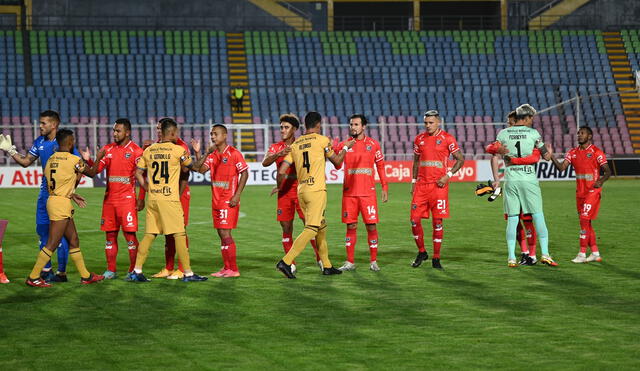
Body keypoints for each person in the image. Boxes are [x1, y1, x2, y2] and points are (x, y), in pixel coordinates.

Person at [0, 110, 86, 282]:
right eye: (40, 123)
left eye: (43, 123)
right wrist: (10, 150)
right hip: (44, 195)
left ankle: (61, 273)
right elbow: (25, 162)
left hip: (59, 196)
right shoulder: (39, 141)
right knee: (42, 231)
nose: (40, 126)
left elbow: (79, 170)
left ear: (54, 125)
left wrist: (71, 191)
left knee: (61, 236)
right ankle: (46, 269)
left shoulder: (64, 143)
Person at [275, 111, 354, 278]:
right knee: (311, 229)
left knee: (321, 228)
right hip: (316, 191)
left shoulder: (296, 144)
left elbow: (282, 171)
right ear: (318, 124)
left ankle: (327, 265)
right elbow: (338, 163)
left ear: (305, 125)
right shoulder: (322, 140)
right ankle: (286, 262)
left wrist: (279, 186)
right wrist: (346, 147)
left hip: (301, 191)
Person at [129, 118, 207, 282]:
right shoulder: (177, 150)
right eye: (176, 132)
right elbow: (197, 168)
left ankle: (136, 271)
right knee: (179, 234)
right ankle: (188, 273)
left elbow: (137, 173)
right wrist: (202, 152)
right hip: (169, 198)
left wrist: (147, 188)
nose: (177, 134)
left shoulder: (149, 150)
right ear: (172, 133)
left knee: (149, 234)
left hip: (154, 199)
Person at [25, 129, 104, 287]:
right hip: (61, 204)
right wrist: (99, 157)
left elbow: (55, 182)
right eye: (73, 140)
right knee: (52, 243)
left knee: (74, 239)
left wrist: (72, 194)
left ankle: (85, 276)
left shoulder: (51, 159)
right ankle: (33, 277)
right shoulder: (74, 159)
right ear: (69, 142)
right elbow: (93, 173)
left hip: (55, 199)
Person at [494, 104, 556, 267]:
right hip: (528, 179)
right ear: (527, 117)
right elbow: (546, 156)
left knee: (513, 219)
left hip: (511, 179)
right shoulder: (534, 133)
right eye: (531, 118)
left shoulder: (503, 133)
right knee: (538, 215)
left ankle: (511, 258)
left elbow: (493, 151)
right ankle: (546, 254)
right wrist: (549, 153)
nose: (532, 121)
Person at [81, 119, 143, 280]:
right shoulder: (107, 149)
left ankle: (133, 270)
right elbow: (94, 172)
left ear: (127, 132)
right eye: (114, 130)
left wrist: (141, 199)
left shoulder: (136, 151)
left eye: (118, 131)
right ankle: (111, 270)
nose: (115, 133)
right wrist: (89, 160)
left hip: (127, 201)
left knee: (130, 237)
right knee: (110, 236)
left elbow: (143, 177)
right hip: (109, 200)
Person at [261, 113, 321, 273]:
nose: (282, 130)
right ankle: (290, 263)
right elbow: (265, 163)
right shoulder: (275, 147)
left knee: (310, 226)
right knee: (286, 227)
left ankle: (320, 258)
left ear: (294, 129)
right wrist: (278, 155)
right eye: (281, 127)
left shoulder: (302, 144)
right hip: (284, 194)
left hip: (301, 190)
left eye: (286, 127)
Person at [191, 124, 249, 278]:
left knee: (225, 233)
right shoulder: (212, 154)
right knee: (221, 233)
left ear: (225, 136)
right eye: (211, 134)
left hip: (228, 200)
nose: (212, 137)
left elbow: (244, 174)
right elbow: (199, 169)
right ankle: (226, 267)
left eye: (215, 134)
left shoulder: (234, 154)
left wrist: (237, 196)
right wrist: (199, 153)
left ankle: (233, 269)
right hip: (216, 200)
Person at [546, 126, 610, 263]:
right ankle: (595, 253)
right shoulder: (572, 152)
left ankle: (581, 254)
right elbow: (561, 168)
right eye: (578, 133)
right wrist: (551, 156)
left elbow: (608, 171)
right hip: (580, 193)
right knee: (586, 223)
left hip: (593, 191)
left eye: (582, 133)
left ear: (590, 136)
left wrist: (601, 181)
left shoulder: (596, 152)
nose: (579, 135)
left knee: (584, 219)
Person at [410, 110, 465, 270]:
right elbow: (415, 162)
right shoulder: (419, 139)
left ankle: (436, 257)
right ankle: (422, 252)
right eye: (426, 123)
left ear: (438, 122)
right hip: (421, 186)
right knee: (414, 220)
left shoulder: (447, 138)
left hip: (439, 187)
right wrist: (413, 181)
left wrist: (447, 176)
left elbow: (460, 159)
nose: (428, 125)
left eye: (431, 122)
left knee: (437, 222)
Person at [137, 120, 191, 280]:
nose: (158, 132)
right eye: (157, 129)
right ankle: (169, 268)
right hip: (164, 196)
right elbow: (146, 175)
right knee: (170, 234)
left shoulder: (180, 147)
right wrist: (142, 196)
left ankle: (181, 269)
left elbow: (185, 174)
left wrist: (178, 195)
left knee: (178, 231)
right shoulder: (162, 148)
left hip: (176, 194)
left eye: (161, 129)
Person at [336, 114, 388, 272]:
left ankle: (373, 261)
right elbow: (337, 165)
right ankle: (350, 261)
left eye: (356, 124)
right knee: (351, 226)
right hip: (349, 194)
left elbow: (380, 167)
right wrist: (341, 148)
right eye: (351, 124)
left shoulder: (373, 145)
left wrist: (384, 187)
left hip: (368, 194)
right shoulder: (344, 144)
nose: (353, 127)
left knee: (371, 226)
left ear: (363, 126)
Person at [486, 111, 539, 265]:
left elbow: (536, 157)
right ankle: (524, 252)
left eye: (510, 123)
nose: (508, 126)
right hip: (511, 184)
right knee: (513, 220)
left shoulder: (529, 137)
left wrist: (515, 161)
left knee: (527, 220)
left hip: (525, 183)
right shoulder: (504, 137)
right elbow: (493, 153)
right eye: (508, 123)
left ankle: (533, 255)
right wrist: (497, 179)